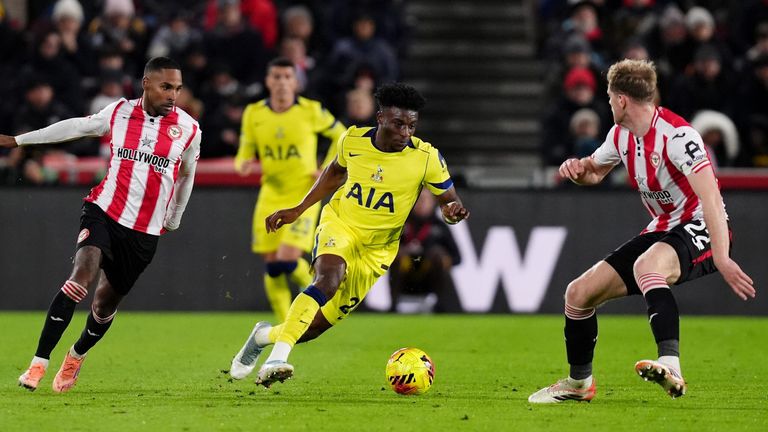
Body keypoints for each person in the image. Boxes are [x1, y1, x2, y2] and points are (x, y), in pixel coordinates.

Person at [528, 59, 755, 404]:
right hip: (663, 228)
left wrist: (721, 257)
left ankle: (671, 365)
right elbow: (594, 172)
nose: (608, 103)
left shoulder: (678, 136)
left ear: (621, 100)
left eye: (609, 97)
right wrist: (578, 169)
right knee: (578, 294)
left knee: (647, 266)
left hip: (703, 224)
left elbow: (711, 196)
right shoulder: (620, 135)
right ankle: (579, 384)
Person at [229, 83, 469, 386]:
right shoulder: (353, 139)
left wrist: (451, 212)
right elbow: (334, 173)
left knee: (313, 327)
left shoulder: (426, 157)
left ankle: (262, 336)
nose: (405, 133)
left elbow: (449, 200)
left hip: (377, 250)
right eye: (398, 124)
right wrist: (299, 209)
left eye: (411, 125)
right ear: (380, 118)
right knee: (327, 279)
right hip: (341, 225)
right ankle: (277, 358)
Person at [2, 57, 202, 393]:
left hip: (144, 231)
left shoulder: (189, 128)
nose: (173, 95)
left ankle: (76, 355)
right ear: (146, 83)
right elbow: (76, 127)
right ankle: (38, 363)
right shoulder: (119, 112)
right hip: (104, 211)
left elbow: (187, 174)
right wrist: (19, 140)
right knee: (80, 278)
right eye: (166, 87)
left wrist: (175, 216)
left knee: (103, 305)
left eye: (177, 88)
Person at [233, 57, 346, 324]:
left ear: (295, 82)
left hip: (303, 195)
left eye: (287, 77)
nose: (282, 83)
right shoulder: (254, 113)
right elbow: (244, 150)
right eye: (277, 77)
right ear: (268, 81)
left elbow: (341, 135)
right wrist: (242, 163)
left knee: (287, 258)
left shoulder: (311, 110)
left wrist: (326, 167)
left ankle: (322, 297)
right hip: (270, 193)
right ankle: (288, 325)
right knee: (273, 265)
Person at [389, 188, 460, 313]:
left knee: (438, 254)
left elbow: (457, 258)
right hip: (406, 275)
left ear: (433, 202)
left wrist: (439, 258)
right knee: (397, 255)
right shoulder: (401, 224)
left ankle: (440, 305)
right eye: (418, 200)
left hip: (430, 275)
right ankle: (394, 304)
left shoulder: (440, 226)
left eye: (425, 200)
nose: (422, 204)